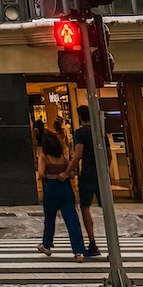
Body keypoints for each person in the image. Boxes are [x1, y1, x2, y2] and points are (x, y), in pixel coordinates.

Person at [37, 128, 89, 261]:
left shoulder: (44, 157)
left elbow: (42, 173)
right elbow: (71, 173)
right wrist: (63, 175)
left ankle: (47, 245)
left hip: (51, 190)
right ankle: (78, 251)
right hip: (66, 189)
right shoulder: (62, 157)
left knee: (50, 219)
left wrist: (50, 175)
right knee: (72, 220)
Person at [69, 105, 101, 257]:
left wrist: (68, 172)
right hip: (101, 173)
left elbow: (78, 154)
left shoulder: (80, 133)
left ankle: (93, 241)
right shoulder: (100, 131)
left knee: (85, 207)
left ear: (80, 117)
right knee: (107, 208)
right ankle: (111, 241)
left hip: (87, 173)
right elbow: (107, 154)